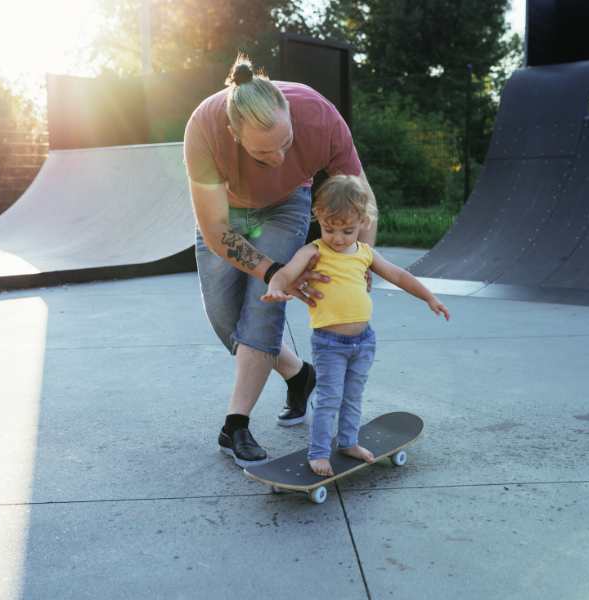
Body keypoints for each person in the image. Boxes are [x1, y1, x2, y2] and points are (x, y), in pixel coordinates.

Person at [184, 53, 378, 467]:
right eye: (263, 153)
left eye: (286, 145)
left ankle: (234, 425)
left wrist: (361, 265)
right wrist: (276, 272)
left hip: (288, 205)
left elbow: (363, 201)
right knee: (225, 320)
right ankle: (298, 374)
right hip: (228, 214)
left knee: (263, 309)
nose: (278, 158)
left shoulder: (319, 115)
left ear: (290, 113)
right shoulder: (205, 127)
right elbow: (218, 233)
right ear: (235, 134)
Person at [261, 175, 451, 476]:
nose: (337, 238)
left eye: (347, 230)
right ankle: (319, 452)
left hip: (364, 342)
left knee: (353, 396)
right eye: (329, 228)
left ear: (363, 221)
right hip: (330, 344)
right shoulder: (313, 251)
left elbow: (399, 276)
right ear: (318, 219)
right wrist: (275, 287)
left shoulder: (365, 253)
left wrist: (429, 297)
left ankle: (348, 442)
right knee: (329, 399)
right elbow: (286, 273)